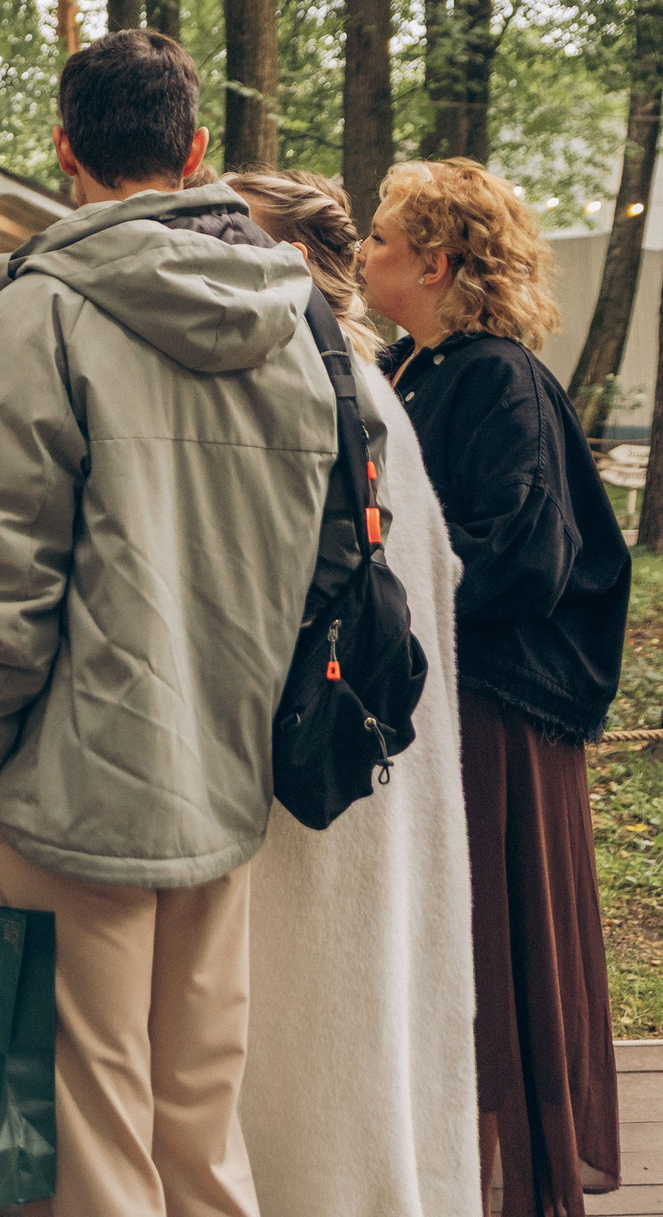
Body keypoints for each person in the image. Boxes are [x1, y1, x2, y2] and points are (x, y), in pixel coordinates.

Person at [0, 28, 337, 1217]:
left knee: (92, 1143)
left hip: (73, 789)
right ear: (196, 149)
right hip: (226, 770)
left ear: (64, 154)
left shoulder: (38, 311)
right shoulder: (291, 316)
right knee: (199, 1130)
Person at [360, 158, 628, 1215]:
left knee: (492, 940)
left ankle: (510, 1186)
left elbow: (523, 555)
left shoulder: (496, 377)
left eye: (383, 237)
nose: (367, 252)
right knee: (444, 940)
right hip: (437, 700)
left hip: (495, 711)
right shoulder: (408, 368)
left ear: (433, 260)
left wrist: (383, 579)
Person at [225, 170, 480, 1215]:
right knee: (362, 996)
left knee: (318, 1003)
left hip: (320, 764)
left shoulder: (312, 389)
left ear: (281, 262)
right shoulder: (367, 391)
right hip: (378, 764)